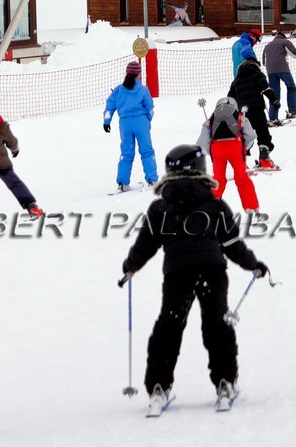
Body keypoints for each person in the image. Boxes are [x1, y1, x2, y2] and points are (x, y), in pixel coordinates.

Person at [120, 143, 268, 414]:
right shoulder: (214, 204)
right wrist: (253, 265)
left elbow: (146, 243)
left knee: (169, 326)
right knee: (217, 325)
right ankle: (225, 382)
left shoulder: (160, 208)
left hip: (178, 274)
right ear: (201, 169)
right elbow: (233, 243)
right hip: (212, 271)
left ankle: (158, 387)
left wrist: (130, 266)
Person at [103, 59, 158, 191]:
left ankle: (122, 183)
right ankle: (152, 180)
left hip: (125, 124)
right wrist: (147, 121)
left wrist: (107, 121)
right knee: (146, 150)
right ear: (139, 74)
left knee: (126, 152)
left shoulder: (118, 90)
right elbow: (150, 108)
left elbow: (109, 107)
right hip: (141, 122)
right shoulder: (143, 90)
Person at [199, 97, 259, 212]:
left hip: (217, 148)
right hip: (235, 146)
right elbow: (251, 136)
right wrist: (244, 147)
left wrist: (211, 151)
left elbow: (202, 143)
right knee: (242, 178)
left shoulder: (210, 119)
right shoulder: (241, 116)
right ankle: (252, 208)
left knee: (218, 179)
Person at [228, 40, 276, 168]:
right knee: (262, 132)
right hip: (257, 110)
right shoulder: (256, 73)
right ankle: (264, 157)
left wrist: (229, 111)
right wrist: (274, 101)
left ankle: (241, 162)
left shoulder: (237, 79)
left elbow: (230, 97)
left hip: (243, 113)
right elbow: (266, 89)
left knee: (244, 136)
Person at [262, 23, 296, 122]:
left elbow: (264, 62)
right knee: (291, 87)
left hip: (270, 71)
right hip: (282, 69)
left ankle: (273, 117)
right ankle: (292, 110)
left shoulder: (267, 46)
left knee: (274, 94)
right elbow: (294, 54)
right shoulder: (284, 42)